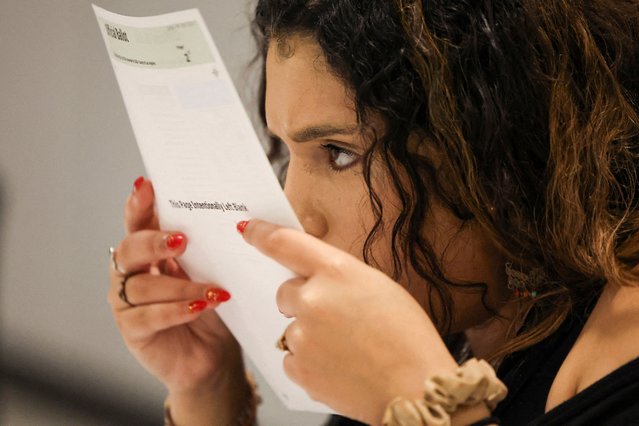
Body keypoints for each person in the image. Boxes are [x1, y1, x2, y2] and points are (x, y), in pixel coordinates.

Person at [107, 0, 639, 424]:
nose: (297, 215)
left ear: (497, 144)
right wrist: (209, 388)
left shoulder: (620, 346)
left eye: (339, 153)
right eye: (287, 152)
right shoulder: (441, 310)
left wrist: (424, 401)